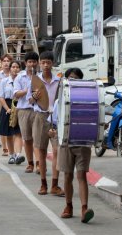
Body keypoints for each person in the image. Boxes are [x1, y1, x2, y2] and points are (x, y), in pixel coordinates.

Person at [50, 68, 95, 223]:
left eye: (75, 78)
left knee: (81, 175)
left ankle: (84, 208)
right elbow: (54, 123)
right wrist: (53, 131)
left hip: (82, 142)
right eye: (69, 78)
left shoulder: (88, 99)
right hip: (65, 142)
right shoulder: (59, 101)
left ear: (81, 81)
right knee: (67, 175)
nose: (71, 81)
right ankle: (68, 206)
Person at [31, 51, 63, 196]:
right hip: (40, 117)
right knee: (41, 151)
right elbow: (29, 101)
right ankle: (43, 184)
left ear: (52, 63)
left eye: (48, 62)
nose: (45, 65)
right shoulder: (35, 80)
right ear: (39, 63)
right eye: (43, 62)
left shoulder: (59, 80)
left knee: (57, 150)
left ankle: (54, 185)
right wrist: (33, 97)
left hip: (56, 118)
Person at [13, 52, 39, 173]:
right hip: (23, 110)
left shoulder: (41, 76)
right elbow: (16, 94)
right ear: (25, 63)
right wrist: (27, 90)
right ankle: (30, 163)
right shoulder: (20, 77)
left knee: (37, 138)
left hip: (38, 110)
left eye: (34, 62)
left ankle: (39, 164)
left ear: (37, 63)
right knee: (27, 139)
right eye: (30, 62)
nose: (32, 64)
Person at [0, 60, 25, 165]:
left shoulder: (23, 81)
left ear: (20, 69)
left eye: (17, 67)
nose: (15, 69)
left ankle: (18, 155)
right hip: (7, 106)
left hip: (19, 106)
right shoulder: (4, 81)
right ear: (10, 68)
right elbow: (1, 96)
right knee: (8, 133)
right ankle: (11, 155)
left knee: (18, 132)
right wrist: (7, 109)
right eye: (13, 67)